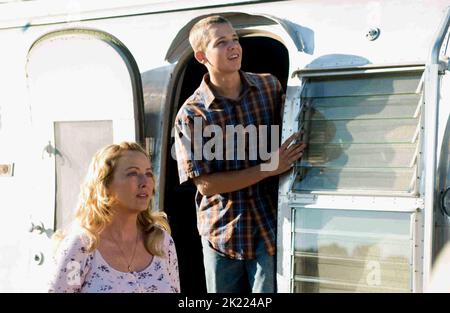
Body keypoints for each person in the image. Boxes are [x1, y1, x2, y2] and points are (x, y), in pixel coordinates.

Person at [174, 15, 306, 293]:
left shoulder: (269, 88)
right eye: (221, 42)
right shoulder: (192, 114)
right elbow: (207, 185)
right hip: (222, 234)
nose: (234, 47)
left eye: (234, 39)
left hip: (270, 224)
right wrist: (270, 167)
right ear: (201, 56)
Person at [48, 142, 180, 293]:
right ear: (105, 185)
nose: (145, 182)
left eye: (149, 173)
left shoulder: (161, 242)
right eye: (133, 173)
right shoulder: (81, 247)